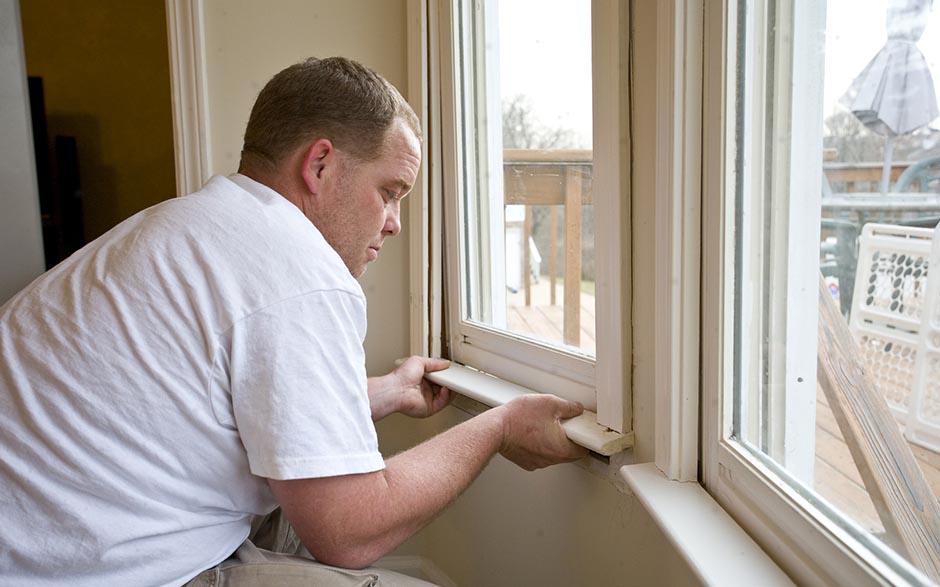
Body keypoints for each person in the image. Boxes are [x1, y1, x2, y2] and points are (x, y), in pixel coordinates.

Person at [0, 56, 587, 586]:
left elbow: (232, 401)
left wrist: (386, 391)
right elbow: (350, 531)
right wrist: (498, 427)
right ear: (321, 165)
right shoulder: (297, 272)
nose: (394, 222)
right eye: (389, 192)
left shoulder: (191, 226)